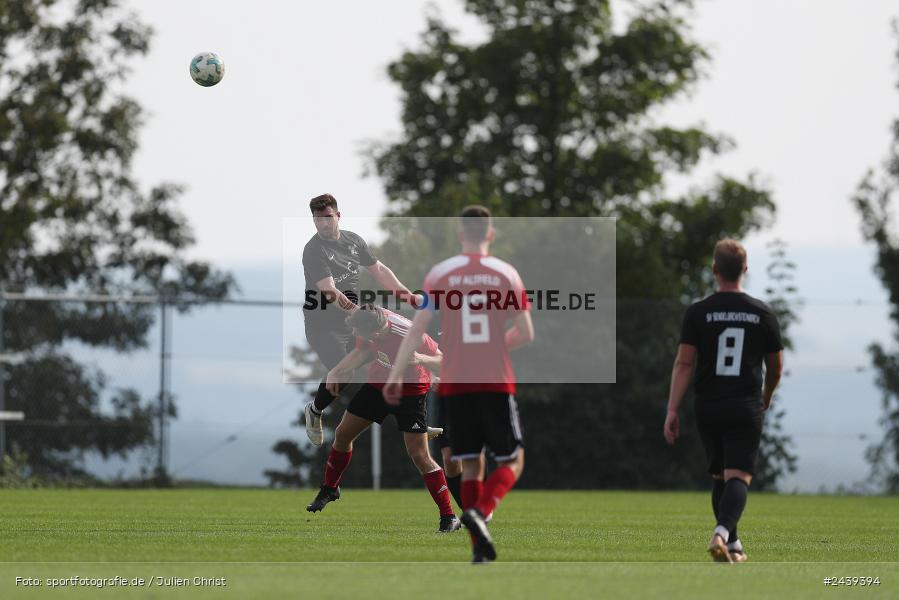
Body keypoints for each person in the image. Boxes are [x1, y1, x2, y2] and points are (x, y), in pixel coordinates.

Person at [384, 205, 534, 563]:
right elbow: (526, 333)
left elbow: (416, 329)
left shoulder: (441, 274)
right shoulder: (505, 273)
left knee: (470, 465)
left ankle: (478, 551)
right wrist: (496, 345)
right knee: (513, 461)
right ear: (491, 234)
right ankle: (480, 513)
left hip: (455, 382)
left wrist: (394, 375)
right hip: (494, 379)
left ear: (459, 234)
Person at [663, 239, 784, 563]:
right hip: (744, 404)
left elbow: (684, 363)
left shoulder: (698, 312)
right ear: (745, 269)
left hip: (708, 405)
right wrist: (766, 395)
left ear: (714, 270)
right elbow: (775, 367)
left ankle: (734, 545)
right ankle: (720, 533)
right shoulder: (762, 313)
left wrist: (672, 409)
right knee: (738, 477)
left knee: (720, 477)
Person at [305, 304, 461, 534]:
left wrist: (419, 359)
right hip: (378, 385)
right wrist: (338, 371)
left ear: (377, 333)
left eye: (361, 334)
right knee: (342, 434)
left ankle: (449, 516)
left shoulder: (412, 335)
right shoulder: (370, 319)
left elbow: (443, 361)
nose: (358, 336)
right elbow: (361, 351)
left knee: (419, 455)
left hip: (410, 392)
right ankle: (330, 488)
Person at [301, 193, 423, 446]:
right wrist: (363, 316)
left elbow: (379, 271)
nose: (322, 223)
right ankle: (314, 410)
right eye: (316, 219)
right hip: (324, 325)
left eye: (326, 217)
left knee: (390, 357)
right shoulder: (313, 250)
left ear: (338, 216)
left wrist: (408, 296)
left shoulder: (354, 241)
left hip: (356, 322)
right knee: (344, 371)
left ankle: (415, 419)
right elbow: (330, 292)